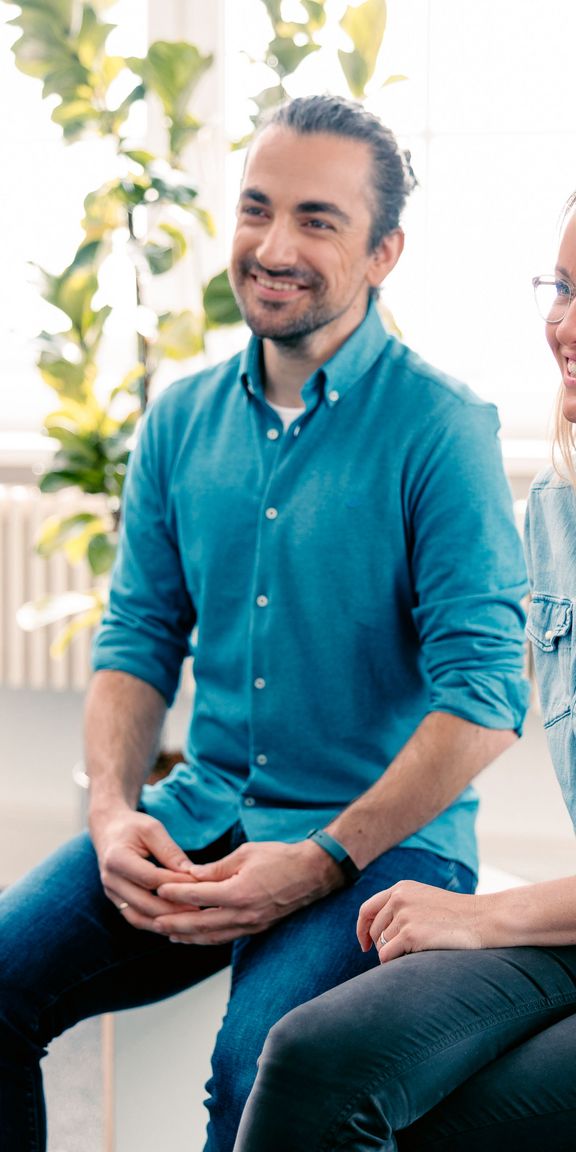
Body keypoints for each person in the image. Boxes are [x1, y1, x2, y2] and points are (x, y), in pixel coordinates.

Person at [0, 95, 528, 1152]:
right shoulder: (179, 419)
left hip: (379, 851)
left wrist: (322, 858)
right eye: (257, 209)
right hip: (205, 817)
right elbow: (137, 638)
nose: (274, 247)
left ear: (384, 253)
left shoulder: (443, 429)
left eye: (317, 221)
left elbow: (485, 699)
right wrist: (111, 811)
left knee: (257, 1075)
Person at [232, 192, 576, 1152]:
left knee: (439, 1116)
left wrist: (486, 916)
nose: (565, 325)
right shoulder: (560, 507)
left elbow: (481, 697)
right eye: (562, 288)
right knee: (314, 1059)